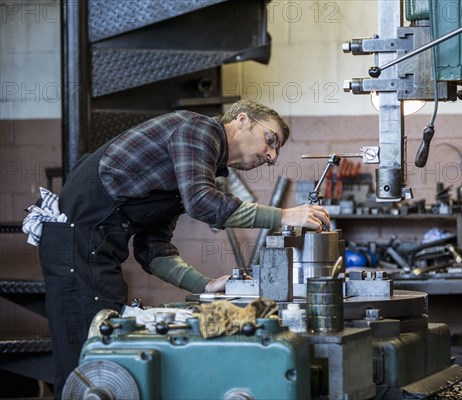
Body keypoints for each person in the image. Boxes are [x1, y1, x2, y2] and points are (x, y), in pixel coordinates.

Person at [33, 99, 330, 398]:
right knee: (90, 364)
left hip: (97, 249)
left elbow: (153, 249)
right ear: (242, 120)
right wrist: (283, 215)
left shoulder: (192, 169)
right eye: (271, 140)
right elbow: (203, 203)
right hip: (75, 243)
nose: (272, 156)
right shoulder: (198, 130)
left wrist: (206, 284)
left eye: (276, 150)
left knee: (109, 355)